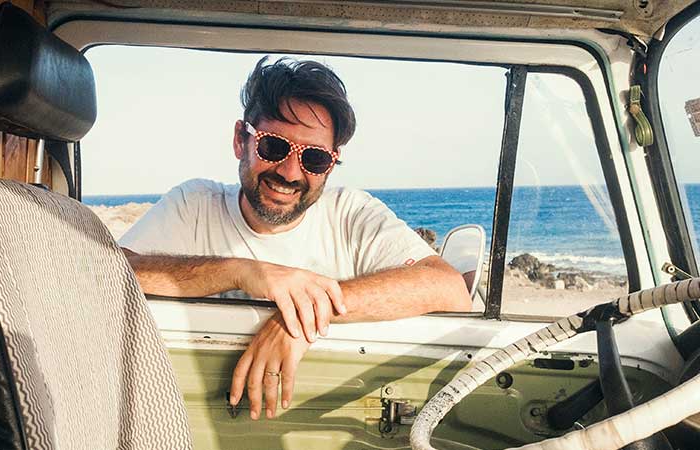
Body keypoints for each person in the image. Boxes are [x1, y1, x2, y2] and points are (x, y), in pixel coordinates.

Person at [120, 56, 471, 421]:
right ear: (241, 140)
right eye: (274, 147)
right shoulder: (195, 204)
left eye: (315, 159)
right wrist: (241, 271)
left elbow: (448, 287)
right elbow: (108, 271)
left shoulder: (349, 213)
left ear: (331, 164)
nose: (290, 172)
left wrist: (307, 315)